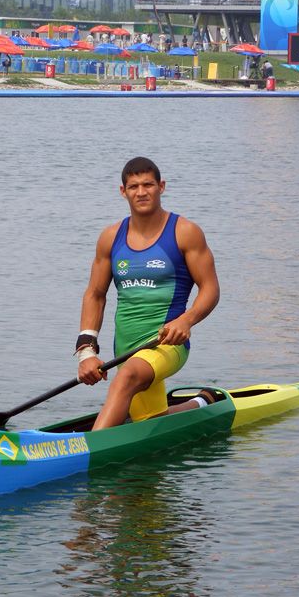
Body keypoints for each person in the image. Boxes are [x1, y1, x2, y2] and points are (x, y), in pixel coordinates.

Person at [76, 157, 220, 430]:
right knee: (149, 422)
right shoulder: (110, 237)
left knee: (127, 377)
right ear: (123, 191)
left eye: (148, 185)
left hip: (167, 344)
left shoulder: (184, 232)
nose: (141, 192)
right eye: (133, 187)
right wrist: (86, 351)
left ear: (161, 187)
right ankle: (203, 402)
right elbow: (95, 294)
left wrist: (186, 321)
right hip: (126, 348)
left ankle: (88, 450)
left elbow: (211, 288)